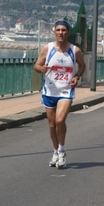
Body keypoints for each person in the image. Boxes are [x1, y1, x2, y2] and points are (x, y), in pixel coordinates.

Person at [34, 20, 86, 169]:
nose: (61, 32)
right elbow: (37, 65)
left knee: (59, 120)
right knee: (51, 125)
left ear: (68, 32)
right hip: (49, 90)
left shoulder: (75, 50)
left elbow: (82, 65)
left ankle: (62, 151)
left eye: (64, 30)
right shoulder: (47, 48)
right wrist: (41, 68)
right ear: (54, 32)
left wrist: (77, 76)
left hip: (66, 90)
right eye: (58, 30)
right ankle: (55, 151)